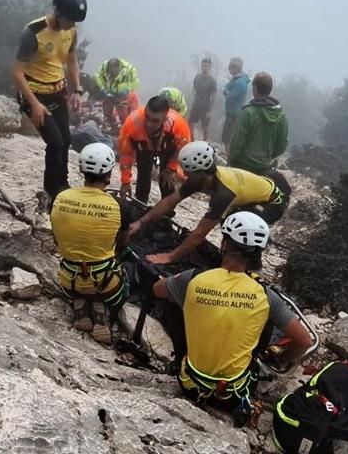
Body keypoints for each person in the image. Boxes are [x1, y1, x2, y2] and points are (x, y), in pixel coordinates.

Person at [152, 211, 313, 415]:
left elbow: (157, 289)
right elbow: (304, 341)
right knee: (265, 319)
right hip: (234, 394)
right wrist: (280, 360)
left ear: (225, 244)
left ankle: (183, 356)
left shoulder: (193, 278)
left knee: (173, 300)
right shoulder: (265, 294)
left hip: (190, 384)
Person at [130, 141, 290, 266]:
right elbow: (170, 201)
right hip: (255, 190)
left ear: (199, 171)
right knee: (228, 222)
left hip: (272, 203)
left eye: (187, 171)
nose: (184, 174)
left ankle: (249, 263)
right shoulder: (202, 176)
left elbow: (200, 233)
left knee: (236, 226)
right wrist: (141, 222)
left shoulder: (223, 193)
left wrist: (170, 256)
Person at [50, 143, 131, 345]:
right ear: (109, 173)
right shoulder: (120, 206)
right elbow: (122, 243)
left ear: (82, 170)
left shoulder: (60, 197)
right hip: (107, 285)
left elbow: (56, 240)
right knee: (124, 279)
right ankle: (102, 309)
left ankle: (80, 304)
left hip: (69, 281)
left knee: (77, 274)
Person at [13, 0, 87, 201]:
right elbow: (17, 74)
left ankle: (61, 184)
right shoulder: (33, 33)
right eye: (70, 19)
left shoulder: (70, 31)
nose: (73, 25)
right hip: (34, 93)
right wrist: (34, 104)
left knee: (65, 139)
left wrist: (78, 90)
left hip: (57, 91)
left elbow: (71, 59)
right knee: (54, 142)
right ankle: (51, 190)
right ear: (59, 12)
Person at [117, 95, 192, 203]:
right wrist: (125, 181)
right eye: (147, 117)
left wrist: (172, 168)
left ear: (165, 119)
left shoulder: (178, 125)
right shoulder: (132, 124)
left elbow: (183, 150)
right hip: (143, 145)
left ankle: (167, 209)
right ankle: (140, 204)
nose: (149, 124)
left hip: (167, 146)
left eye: (155, 121)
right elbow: (126, 154)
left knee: (167, 178)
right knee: (143, 171)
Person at [227, 72, 288, 175]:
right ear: (270, 89)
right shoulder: (281, 115)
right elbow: (282, 144)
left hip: (242, 166)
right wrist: (268, 157)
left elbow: (237, 142)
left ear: (255, 88)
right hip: (265, 168)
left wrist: (231, 160)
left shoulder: (248, 112)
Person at [95, 58, 140, 130]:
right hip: (109, 90)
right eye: (110, 72)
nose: (112, 74)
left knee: (123, 113)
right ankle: (114, 127)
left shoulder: (130, 70)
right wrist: (103, 88)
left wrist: (127, 89)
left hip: (124, 92)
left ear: (119, 68)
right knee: (107, 109)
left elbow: (136, 82)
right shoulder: (104, 67)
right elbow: (97, 77)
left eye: (114, 73)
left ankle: (125, 129)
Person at [221, 57, 250, 153]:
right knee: (227, 138)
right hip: (231, 113)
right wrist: (226, 90)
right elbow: (226, 87)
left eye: (230, 67)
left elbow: (230, 98)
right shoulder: (235, 79)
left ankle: (230, 161)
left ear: (236, 68)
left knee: (227, 138)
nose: (228, 69)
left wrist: (226, 92)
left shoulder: (240, 83)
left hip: (234, 115)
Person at [188, 58, 218, 142]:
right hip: (196, 104)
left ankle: (205, 142)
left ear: (210, 67)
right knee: (190, 121)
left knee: (205, 126)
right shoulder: (197, 77)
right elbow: (193, 86)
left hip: (205, 106)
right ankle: (191, 138)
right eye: (203, 65)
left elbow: (213, 96)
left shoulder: (212, 81)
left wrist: (210, 111)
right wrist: (193, 94)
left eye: (206, 66)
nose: (204, 67)